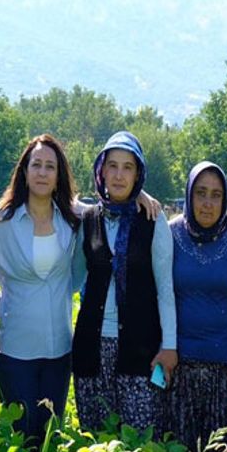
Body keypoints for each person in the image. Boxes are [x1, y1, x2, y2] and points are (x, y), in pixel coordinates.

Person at [0, 134, 84, 450]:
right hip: (16, 352)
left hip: (59, 353)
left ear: (58, 176)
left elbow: (116, 200)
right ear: (24, 172)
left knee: (50, 443)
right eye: (35, 165)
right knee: (22, 441)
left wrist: (144, 198)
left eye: (49, 167)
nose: (42, 172)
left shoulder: (74, 218)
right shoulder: (0, 221)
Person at [72, 131, 176, 435]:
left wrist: (169, 346)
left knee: (140, 441)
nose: (119, 175)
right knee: (96, 439)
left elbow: (165, 289)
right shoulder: (89, 219)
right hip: (92, 348)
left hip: (140, 348)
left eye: (128, 167)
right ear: (101, 170)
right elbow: (75, 279)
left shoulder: (152, 219)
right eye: (112, 166)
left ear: (138, 173)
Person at [167, 161, 227, 452]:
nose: (207, 203)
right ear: (189, 195)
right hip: (180, 369)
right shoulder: (170, 235)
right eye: (201, 193)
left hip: (226, 372)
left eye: (216, 195)